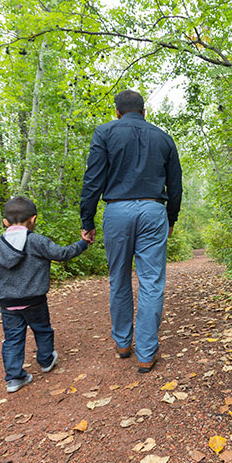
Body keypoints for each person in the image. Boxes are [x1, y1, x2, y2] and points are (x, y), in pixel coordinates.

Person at [79, 90, 182, 373]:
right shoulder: (163, 137)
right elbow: (175, 185)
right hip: (152, 210)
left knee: (119, 277)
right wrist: (170, 218)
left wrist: (87, 220)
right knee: (151, 281)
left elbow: (93, 180)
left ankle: (123, 343)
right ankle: (146, 353)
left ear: (117, 112)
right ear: (144, 111)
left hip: (117, 211)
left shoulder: (104, 133)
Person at [0, 196, 89, 392]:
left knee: (12, 338)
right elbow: (62, 254)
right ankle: (45, 360)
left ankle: (15, 379)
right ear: (33, 219)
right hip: (35, 300)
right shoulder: (37, 241)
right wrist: (82, 244)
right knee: (42, 330)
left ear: (5, 222)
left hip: (8, 302)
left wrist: (0, 293)